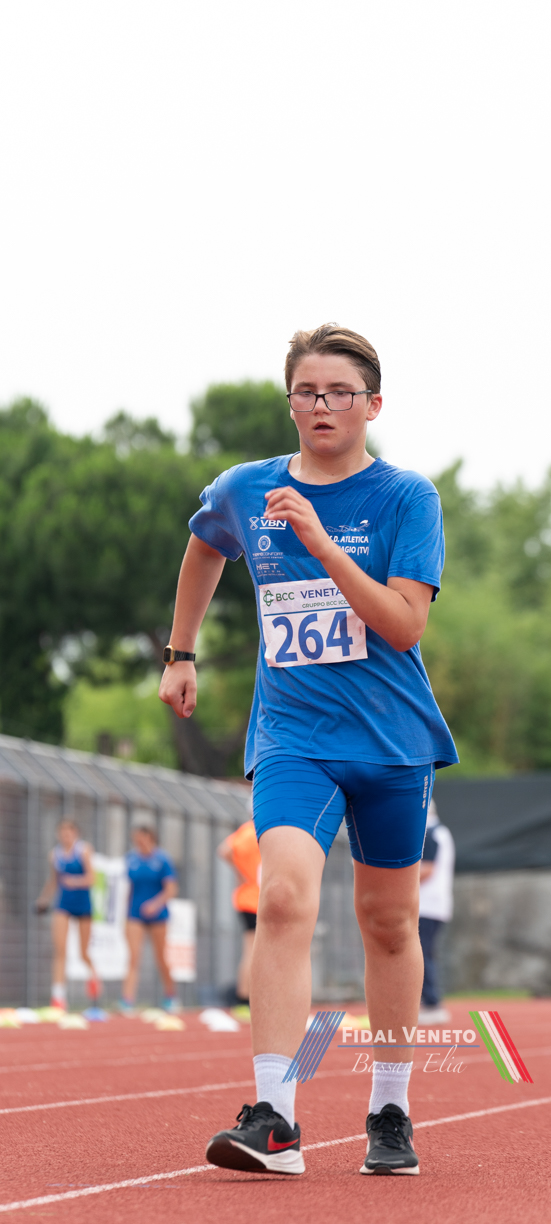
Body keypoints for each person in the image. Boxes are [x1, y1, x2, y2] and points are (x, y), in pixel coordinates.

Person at [159, 324, 457, 1177]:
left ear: (372, 405)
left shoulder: (406, 498)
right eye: (306, 392)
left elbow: (403, 626)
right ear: (289, 401)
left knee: (388, 922)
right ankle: (276, 1117)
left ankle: (390, 1109)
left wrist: (322, 543)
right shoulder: (247, 489)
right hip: (294, 736)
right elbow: (203, 546)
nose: (321, 405)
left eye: (339, 393)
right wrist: (181, 653)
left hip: (391, 740)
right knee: (284, 899)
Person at [36, 818, 100, 1009]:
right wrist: (43, 899)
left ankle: (94, 975)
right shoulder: (54, 854)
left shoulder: (84, 850)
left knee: (83, 952)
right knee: (60, 950)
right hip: (63, 905)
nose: (66, 836)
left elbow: (92, 878)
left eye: (69, 832)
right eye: (62, 832)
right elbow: (54, 880)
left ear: (75, 833)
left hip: (83, 905)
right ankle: (58, 997)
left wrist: (75, 881)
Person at [121, 825, 179, 1015]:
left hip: (158, 916)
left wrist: (155, 904)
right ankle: (127, 999)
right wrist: (125, 915)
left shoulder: (162, 860)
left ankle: (170, 996)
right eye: (136, 839)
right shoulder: (131, 859)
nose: (139, 842)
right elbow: (129, 889)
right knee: (133, 957)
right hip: (135, 914)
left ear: (150, 838)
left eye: (142, 838)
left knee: (161, 957)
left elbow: (171, 889)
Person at [418, 799, 455, 1024]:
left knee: (421, 954)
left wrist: (394, 884)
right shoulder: (441, 833)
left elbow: (427, 870)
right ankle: (429, 1002)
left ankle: (431, 1003)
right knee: (425, 954)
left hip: (427, 905)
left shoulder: (430, 833)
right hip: (434, 905)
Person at [218, 817, 262, 1006]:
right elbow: (224, 851)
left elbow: (224, 851)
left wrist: (240, 873)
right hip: (256, 899)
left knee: (253, 948)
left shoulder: (246, 831)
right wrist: (242, 874)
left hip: (248, 897)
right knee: (253, 949)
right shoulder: (258, 830)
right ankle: (244, 996)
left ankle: (246, 995)